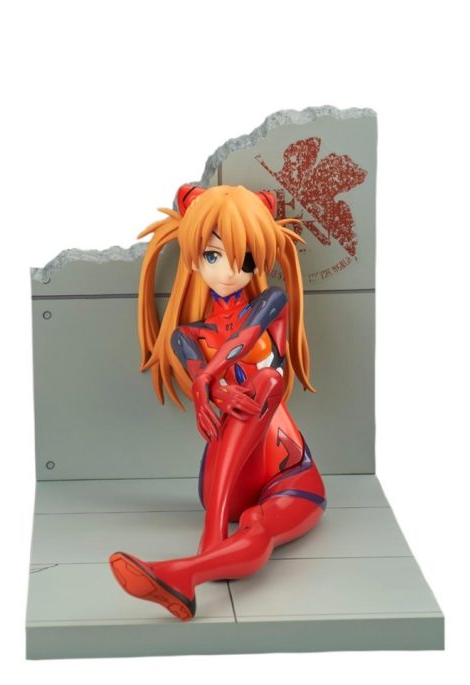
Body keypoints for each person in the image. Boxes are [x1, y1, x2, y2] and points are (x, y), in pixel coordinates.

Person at [109, 184, 326, 620]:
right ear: (194, 258)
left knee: (266, 380)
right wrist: (206, 385)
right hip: (224, 482)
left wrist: (209, 376)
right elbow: (199, 373)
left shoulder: (272, 303)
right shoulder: (186, 336)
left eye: (244, 259)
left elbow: (245, 336)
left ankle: (186, 571)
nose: (228, 271)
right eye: (213, 255)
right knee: (256, 384)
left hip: (290, 477)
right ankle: (211, 537)